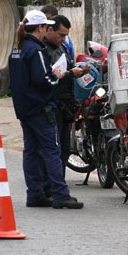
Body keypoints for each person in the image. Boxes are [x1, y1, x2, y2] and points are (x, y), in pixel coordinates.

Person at [8, 9, 83, 209]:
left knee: (31, 152)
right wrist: (58, 75)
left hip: (24, 109)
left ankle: (35, 194)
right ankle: (60, 194)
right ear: (41, 27)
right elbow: (44, 80)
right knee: (53, 151)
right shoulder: (35, 50)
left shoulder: (17, 48)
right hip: (40, 108)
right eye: (45, 27)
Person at [44, 15, 89, 176]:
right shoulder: (43, 50)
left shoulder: (61, 48)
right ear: (50, 30)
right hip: (52, 105)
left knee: (63, 149)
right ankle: (51, 188)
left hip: (65, 104)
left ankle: (58, 186)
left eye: (65, 36)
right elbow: (49, 78)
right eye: (61, 35)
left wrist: (80, 69)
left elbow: (67, 68)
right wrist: (70, 74)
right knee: (53, 150)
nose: (63, 39)